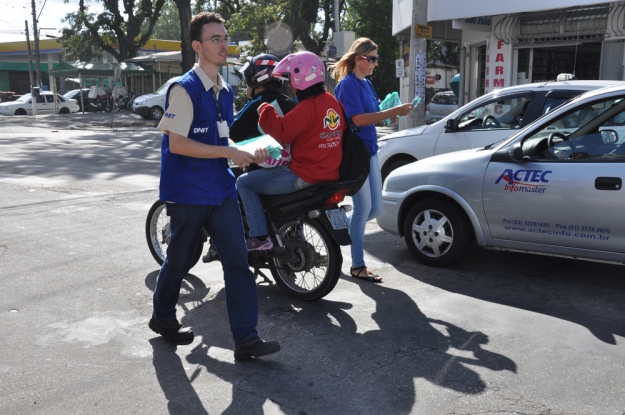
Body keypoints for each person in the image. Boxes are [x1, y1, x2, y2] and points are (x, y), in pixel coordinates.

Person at [150, 11, 280, 360]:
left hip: (221, 189)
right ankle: (162, 317)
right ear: (197, 46)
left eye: (225, 38)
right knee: (179, 263)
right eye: (216, 39)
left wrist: (253, 152)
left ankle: (246, 339)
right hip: (188, 192)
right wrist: (227, 151)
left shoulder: (225, 91)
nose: (224, 45)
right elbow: (177, 143)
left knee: (238, 263)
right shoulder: (184, 89)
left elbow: (226, 140)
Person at [236, 51, 344, 251]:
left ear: (302, 78)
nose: (291, 87)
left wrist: (265, 110)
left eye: (292, 80)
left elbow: (282, 132)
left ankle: (259, 237)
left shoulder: (308, 107)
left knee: (243, 183)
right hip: (329, 174)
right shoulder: (332, 102)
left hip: (303, 175)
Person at [332, 37, 413, 282]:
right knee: (363, 208)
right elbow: (356, 119)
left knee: (374, 209)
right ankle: (357, 265)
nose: (376, 63)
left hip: (370, 150)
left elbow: (373, 115)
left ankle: (334, 225)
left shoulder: (366, 83)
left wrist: (391, 116)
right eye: (372, 59)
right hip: (356, 154)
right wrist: (392, 112)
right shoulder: (347, 85)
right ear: (359, 59)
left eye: (377, 59)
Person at [230, 53, 297, 143]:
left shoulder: (257, 104)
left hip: (260, 156)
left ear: (255, 78)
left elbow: (231, 136)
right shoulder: (291, 104)